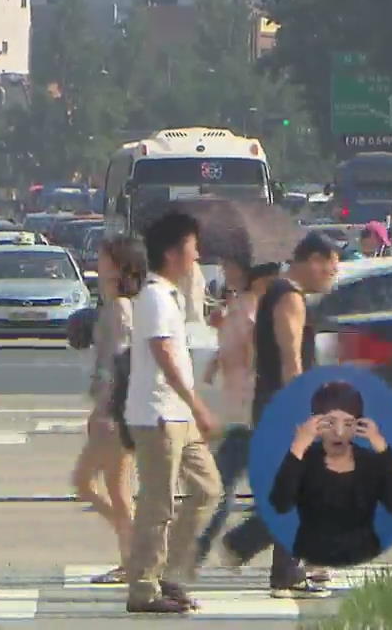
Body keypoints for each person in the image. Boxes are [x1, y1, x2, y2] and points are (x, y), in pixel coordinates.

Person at [222, 231, 340, 599]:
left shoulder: (277, 292)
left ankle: (284, 566)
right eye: (332, 268)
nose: (333, 276)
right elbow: (292, 359)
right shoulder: (290, 297)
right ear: (314, 261)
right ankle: (251, 546)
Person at [123, 212, 222, 615]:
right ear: (171, 252)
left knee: (207, 489)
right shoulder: (154, 296)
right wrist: (197, 402)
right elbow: (163, 355)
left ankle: (170, 572)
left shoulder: (171, 295)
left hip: (177, 412)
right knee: (157, 503)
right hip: (159, 414)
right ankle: (144, 588)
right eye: (192, 247)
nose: (196, 255)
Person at [70, 236, 146, 585]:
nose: (97, 263)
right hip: (116, 408)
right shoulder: (115, 304)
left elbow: (116, 364)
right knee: (116, 489)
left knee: (86, 483)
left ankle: (135, 550)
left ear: (117, 266)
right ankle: (130, 557)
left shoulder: (120, 309)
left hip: (116, 410)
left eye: (103, 258)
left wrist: (103, 409)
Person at [194, 259, 280, 567]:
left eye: (230, 266)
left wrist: (231, 333)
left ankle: (205, 550)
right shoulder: (242, 306)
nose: (224, 271)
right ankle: (227, 546)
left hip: (248, 412)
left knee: (222, 483)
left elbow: (254, 355)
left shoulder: (251, 308)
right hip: (241, 411)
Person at [270, 381, 392, 566]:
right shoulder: (304, 459)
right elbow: (280, 504)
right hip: (313, 558)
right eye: (330, 422)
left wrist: (383, 449)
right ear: (316, 423)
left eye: (348, 423)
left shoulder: (370, 462)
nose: (339, 432)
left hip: (364, 558)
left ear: (359, 424)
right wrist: (298, 445)